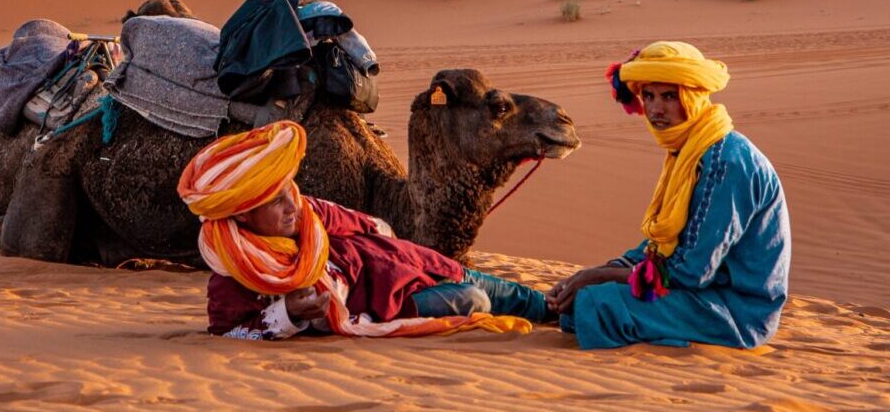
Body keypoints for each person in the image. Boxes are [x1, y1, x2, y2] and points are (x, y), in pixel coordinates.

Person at [177, 120, 553, 340]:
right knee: (476, 301)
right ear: (242, 214)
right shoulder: (237, 273)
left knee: (533, 302)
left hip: (416, 264)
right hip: (397, 303)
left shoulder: (312, 213)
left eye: (289, 192)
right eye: (276, 201)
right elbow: (230, 334)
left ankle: (570, 307)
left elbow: (376, 227)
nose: (293, 206)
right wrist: (289, 313)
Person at [548, 41, 790, 349]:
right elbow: (663, 247)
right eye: (648, 96)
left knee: (598, 305)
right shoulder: (689, 151)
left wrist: (600, 276)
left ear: (693, 98)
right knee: (578, 302)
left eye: (669, 96)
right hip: (704, 295)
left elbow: (693, 271)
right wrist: (594, 274)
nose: (655, 109)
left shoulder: (725, 162)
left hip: (736, 311)